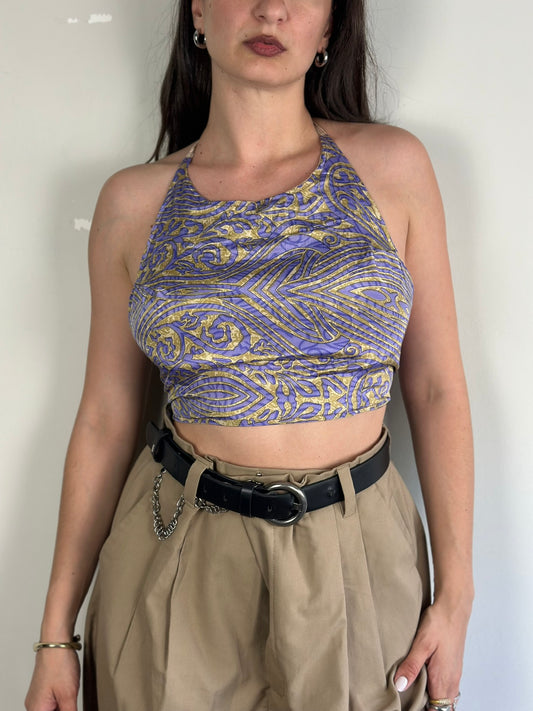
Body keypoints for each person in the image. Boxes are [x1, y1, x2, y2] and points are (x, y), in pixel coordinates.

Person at [25, 0, 474, 709]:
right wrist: (56, 635)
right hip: (177, 555)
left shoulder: (394, 167)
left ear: (331, 26)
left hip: (359, 554)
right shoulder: (131, 203)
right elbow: (106, 418)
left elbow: (437, 388)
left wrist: (457, 594)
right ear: (199, 11)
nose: (271, 9)